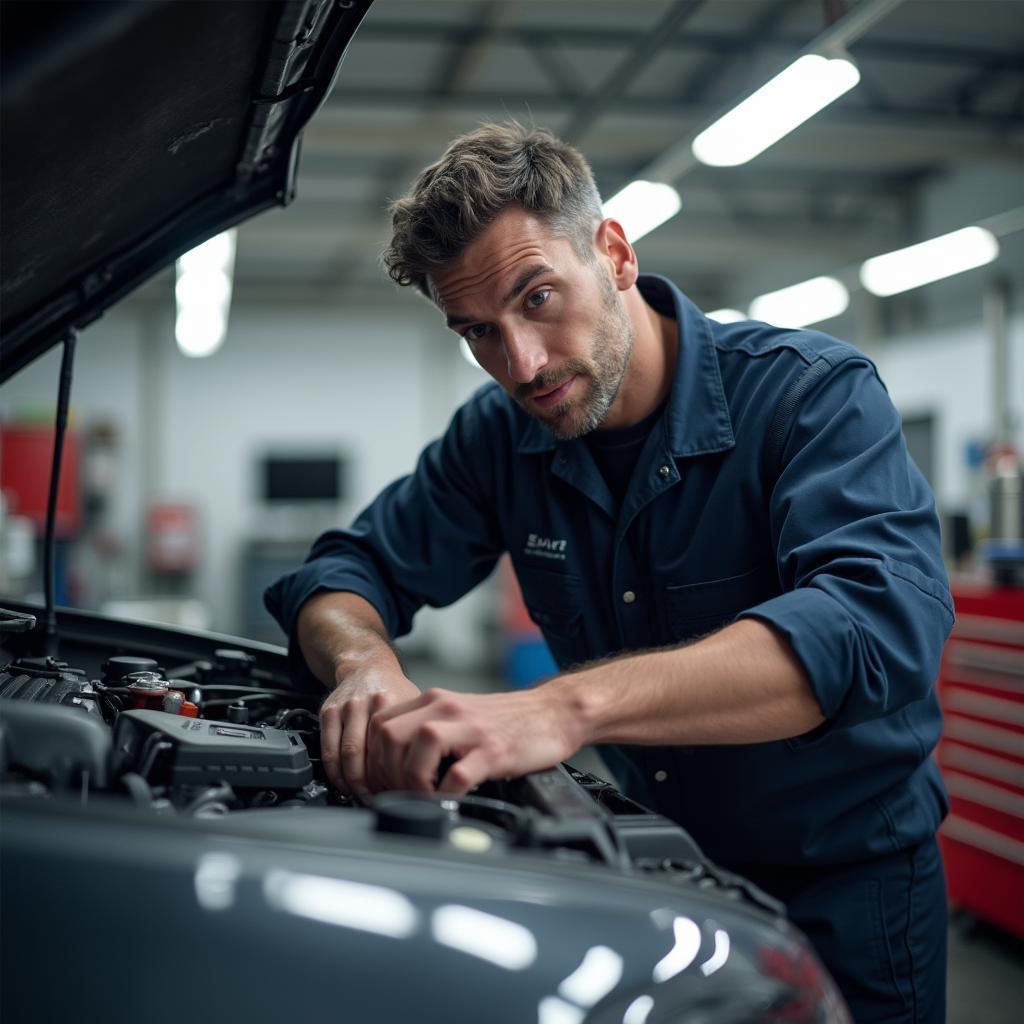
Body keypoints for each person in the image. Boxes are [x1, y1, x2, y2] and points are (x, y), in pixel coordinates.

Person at [266, 122, 953, 1022]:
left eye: (538, 297)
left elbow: (871, 631)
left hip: (847, 891)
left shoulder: (808, 395)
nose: (521, 362)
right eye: (477, 331)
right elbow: (345, 570)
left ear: (616, 254)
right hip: (657, 875)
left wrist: (558, 709)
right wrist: (365, 665)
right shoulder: (498, 437)